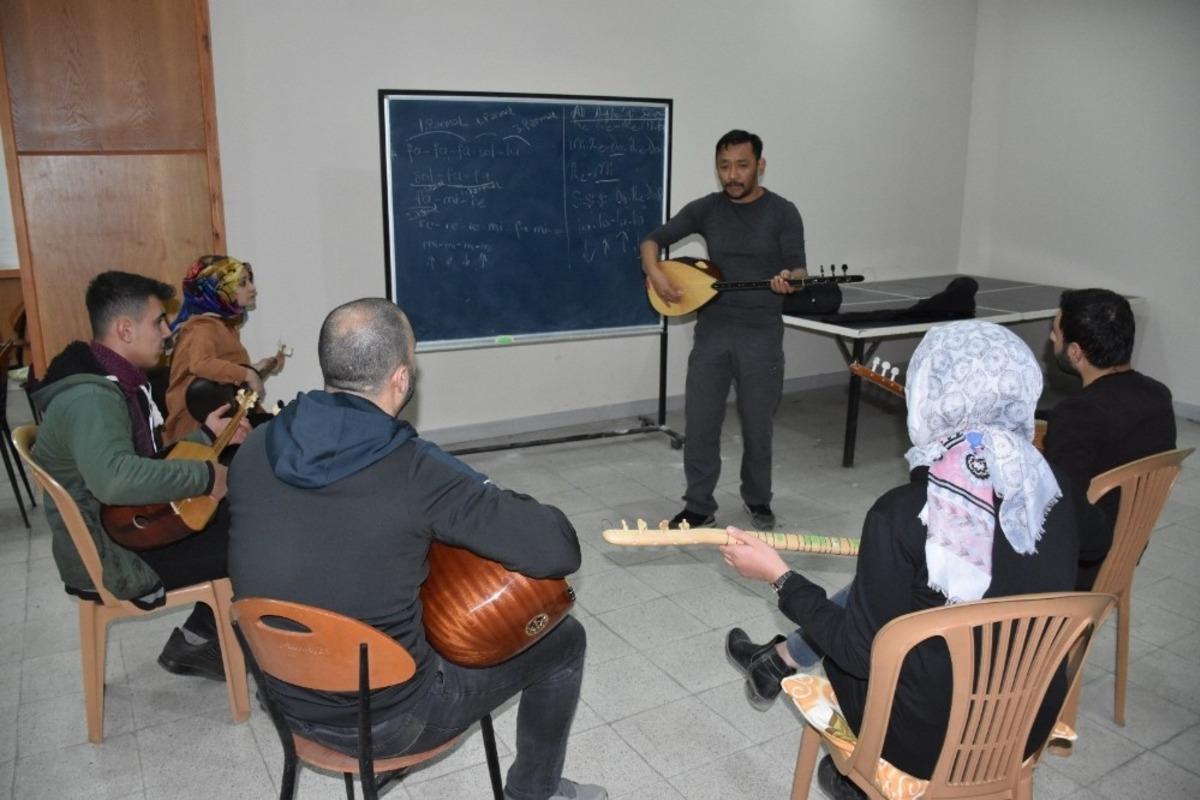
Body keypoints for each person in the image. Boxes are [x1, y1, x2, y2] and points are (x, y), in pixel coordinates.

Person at [226, 298, 603, 800]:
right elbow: (557, 549)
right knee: (565, 641)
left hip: (283, 695)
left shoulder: (254, 449)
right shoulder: (415, 470)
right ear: (401, 378)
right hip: (392, 717)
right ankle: (535, 793)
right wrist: (484, 491)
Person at [719, 321, 1085, 798]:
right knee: (893, 598)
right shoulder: (1053, 488)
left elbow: (855, 652)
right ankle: (789, 681)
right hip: (1023, 725)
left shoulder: (902, 512)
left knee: (853, 639)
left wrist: (779, 577)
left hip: (925, 747)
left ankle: (859, 774)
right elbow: (1094, 542)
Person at [32, 271, 248, 680]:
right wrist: (205, 477)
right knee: (253, 534)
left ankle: (201, 640)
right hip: (114, 556)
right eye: (158, 322)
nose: (168, 332)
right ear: (125, 329)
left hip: (126, 529)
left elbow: (137, 466)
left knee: (240, 514)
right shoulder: (91, 398)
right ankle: (215, 643)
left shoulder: (113, 383)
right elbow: (115, 479)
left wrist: (206, 436)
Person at [641, 129, 806, 531]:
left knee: (757, 424)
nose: (732, 174)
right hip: (713, 330)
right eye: (724, 166)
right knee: (700, 422)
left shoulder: (783, 212)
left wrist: (790, 279)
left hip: (762, 333)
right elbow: (652, 241)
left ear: (760, 167)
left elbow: (800, 270)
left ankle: (758, 499)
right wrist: (656, 274)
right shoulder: (707, 209)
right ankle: (698, 505)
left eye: (742, 166)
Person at [1045, 288, 1176, 590]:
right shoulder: (1158, 395)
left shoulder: (1077, 414)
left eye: (1055, 333)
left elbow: (1057, 509)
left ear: (1075, 352)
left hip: (1081, 567)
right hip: (1125, 553)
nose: (1052, 339)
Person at [162, 255, 286, 444]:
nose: (253, 288)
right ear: (219, 292)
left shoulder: (222, 327)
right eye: (243, 283)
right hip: (197, 435)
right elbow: (200, 364)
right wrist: (247, 374)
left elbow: (221, 376)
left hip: (222, 427)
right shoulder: (201, 329)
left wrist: (257, 368)